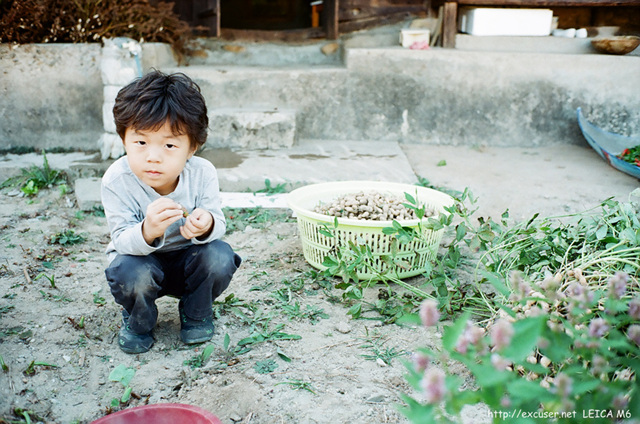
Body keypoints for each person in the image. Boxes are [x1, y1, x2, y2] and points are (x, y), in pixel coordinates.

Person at [101, 70, 241, 354]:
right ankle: (139, 320)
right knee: (128, 270)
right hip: (139, 265)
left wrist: (207, 224)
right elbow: (120, 238)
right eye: (140, 142)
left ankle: (196, 312)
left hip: (189, 264)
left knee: (219, 255)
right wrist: (147, 231)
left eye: (169, 145)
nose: (153, 156)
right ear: (124, 139)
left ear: (192, 148)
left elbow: (218, 220)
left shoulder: (202, 173)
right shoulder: (117, 180)